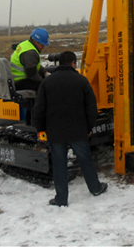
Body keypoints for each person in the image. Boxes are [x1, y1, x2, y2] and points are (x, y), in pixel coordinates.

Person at [33, 50, 108, 207]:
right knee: (85, 160)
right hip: (78, 130)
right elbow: (91, 108)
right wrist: (89, 127)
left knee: (59, 164)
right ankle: (95, 188)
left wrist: (40, 129)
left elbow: (39, 108)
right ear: (73, 63)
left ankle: (61, 198)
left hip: (55, 131)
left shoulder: (47, 82)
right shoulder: (81, 81)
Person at [10, 27, 50, 93]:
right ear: (34, 41)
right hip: (20, 82)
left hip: (19, 79)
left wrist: (44, 72)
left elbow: (34, 65)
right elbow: (32, 74)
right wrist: (44, 83)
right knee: (47, 88)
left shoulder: (26, 44)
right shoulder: (30, 52)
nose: (43, 47)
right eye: (42, 44)